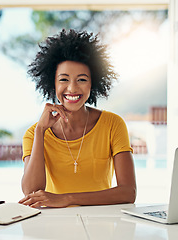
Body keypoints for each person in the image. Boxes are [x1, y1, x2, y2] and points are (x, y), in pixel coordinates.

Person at [19, 29, 136, 208]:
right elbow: (31, 192)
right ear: (53, 83)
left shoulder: (113, 124)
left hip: (101, 223)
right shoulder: (34, 133)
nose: (72, 88)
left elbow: (128, 192)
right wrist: (41, 131)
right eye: (64, 80)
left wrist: (68, 198)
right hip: (52, 226)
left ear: (93, 83)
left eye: (81, 80)